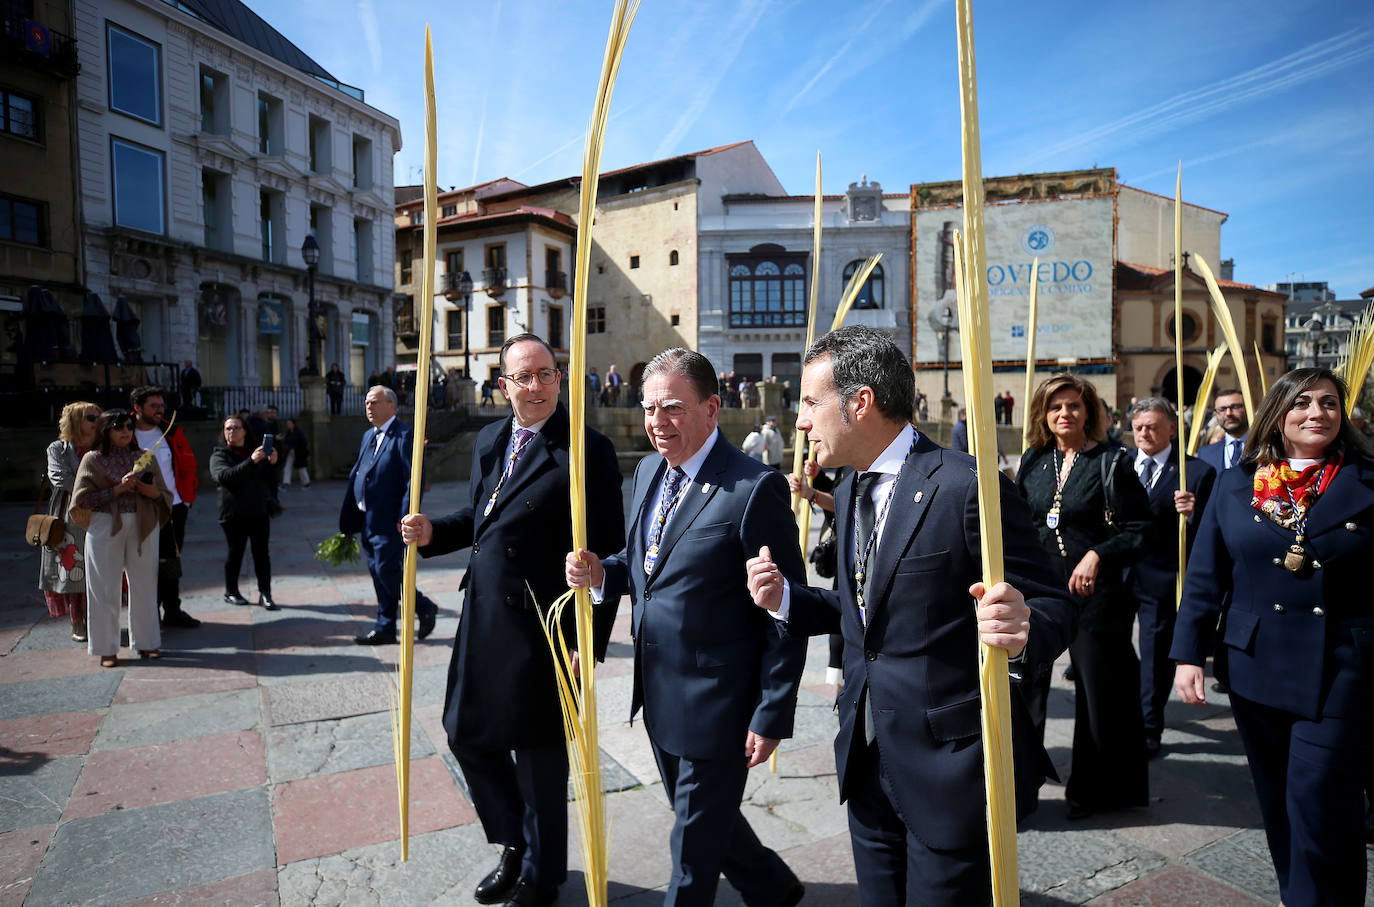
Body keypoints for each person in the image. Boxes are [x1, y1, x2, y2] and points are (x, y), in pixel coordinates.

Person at [747, 326, 1076, 904]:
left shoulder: (967, 486)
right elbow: (868, 618)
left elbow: (1052, 603)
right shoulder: (849, 489)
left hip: (949, 766)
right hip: (865, 759)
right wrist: (786, 601)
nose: (800, 421)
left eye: (810, 402)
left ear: (861, 403)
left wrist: (1023, 629)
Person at [565, 348, 808, 907]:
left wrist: (772, 713)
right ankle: (771, 886)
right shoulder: (649, 470)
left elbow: (785, 611)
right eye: (650, 408)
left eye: (672, 408)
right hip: (658, 695)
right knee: (701, 815)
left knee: (691, 856)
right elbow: (646, 565)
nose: (657, 422)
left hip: (719, 706)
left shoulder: (752, 489)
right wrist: (604, 573)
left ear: (712, 408)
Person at [399, 335, 624, 907]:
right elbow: (484, 518)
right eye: (523, 377)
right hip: (483, 619)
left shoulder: (584, 449)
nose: (537, 386)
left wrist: (587, 641)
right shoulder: (490, 439)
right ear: (504, 387)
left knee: (540, 758)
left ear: (559, 378)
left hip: (545, 629)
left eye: (546, 374)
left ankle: (543, 877)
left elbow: (611, 552)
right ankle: (514, 844)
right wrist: (435, 533)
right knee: (465, 733)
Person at [1172, 368, 1374, 907]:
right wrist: (1188, 653)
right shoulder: (1238, 483)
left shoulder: (1368, 479)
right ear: (1278, 414)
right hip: (1254, 660)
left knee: (1321, 795)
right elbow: (1205, 574)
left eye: (1329, 403)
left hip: (1343, 665)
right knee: (1279, 797)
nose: (1317, 413)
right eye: (1302, 403)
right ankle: (1297, 893)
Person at [1015, 373, 1151, 819]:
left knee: (1098, 692)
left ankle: (1094, 789)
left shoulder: (1112, 461)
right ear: (1043, 414)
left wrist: (1097, 554)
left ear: (1088, 411)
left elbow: (1140, 531)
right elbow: (1022, 522)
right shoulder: (1034, 460)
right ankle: (1020, 792)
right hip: (1037, 591)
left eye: (1073, 405)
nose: (1064, 414)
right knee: (1025, 689)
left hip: (1095, 595)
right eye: (1056, 407)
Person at [1123, 397, 1216, 758]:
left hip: (1161, 579)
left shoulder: (1195, 473)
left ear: (1173, 428)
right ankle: (1121, 719)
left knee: (1154, 658)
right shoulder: (1119, 465)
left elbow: (1213, 532)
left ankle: (1149, 727)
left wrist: (1193, 514)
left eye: (1153, 426)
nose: (1145, 433)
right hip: (1118, 576)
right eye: (1139, 427)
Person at [69, 410, 172, 667]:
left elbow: (163, 495)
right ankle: (106, 649)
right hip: (105, 525)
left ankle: (147, 643)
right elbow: (81, 501)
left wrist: (149, 491)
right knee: (104, 588)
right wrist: (117, 489)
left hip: (143, 523)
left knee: (145, 585)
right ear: (106, 430)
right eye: (118, 427)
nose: (126, 431)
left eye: (128, 426)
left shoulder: (143, 457)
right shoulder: (93, 460)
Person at [340, 386, 438, 644]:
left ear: (391, 406)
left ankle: (424, 607)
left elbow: (413, 479)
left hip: (390, 521)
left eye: (374, 402)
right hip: (367, 519)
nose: (369, 407)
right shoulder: (367, 436)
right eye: (366, 403)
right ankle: (385, 626)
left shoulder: (405, 436)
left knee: (386, 571)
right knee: (376, 572)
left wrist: (404, 516)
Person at [131, 386, 201, 629]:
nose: (160, 410)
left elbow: (188, 466)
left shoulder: (171, 432)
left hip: (174, 507)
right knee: (144, 563)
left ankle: (172, 609)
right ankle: (149, 613)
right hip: (140, 509)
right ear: (138, 408)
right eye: (154, 406)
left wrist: (186, 499)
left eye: (162, 405)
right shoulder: (125, 433)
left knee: (171, 561)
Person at [40, 401, 101, 642]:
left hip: (103, 513)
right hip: (71, 514)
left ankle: (99, 618)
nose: (98, 422)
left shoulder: (104, 445)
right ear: (76, 421)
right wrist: (98, 489)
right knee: (73, 567)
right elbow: (59, 478)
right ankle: (78, 621)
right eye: (91, 418)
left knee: (101, 567)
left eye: (99, 417)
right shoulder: (59, 448)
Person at [210, 417, 279, 610]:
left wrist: (273, 462)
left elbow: (269, 480)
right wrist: (251, 462)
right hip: (233, 514)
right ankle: (231, 591)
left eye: (236, 427)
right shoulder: (219, 455)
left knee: (261, 555)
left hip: (258, 511)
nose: (232, 431)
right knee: (235, 553)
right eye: (228, 428)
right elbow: (224, 477)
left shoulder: (256, 452)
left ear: (245, 431)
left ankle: (265, 594)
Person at [1198, 387, 1250, 473]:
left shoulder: (1264, 448)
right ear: (1215, 414)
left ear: (1247, 409)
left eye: (1235, 407)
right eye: (1222, 409)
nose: (1228, 413)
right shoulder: (1205, 453)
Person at [280, 419, 311, 488]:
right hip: (290, 452)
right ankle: (286, 483)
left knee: (301, 468)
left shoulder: (299, 432)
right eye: (287, 424)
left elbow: (304, 443)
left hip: (299, 453)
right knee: (287, 467)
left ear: (293, 424)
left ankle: (306, 483)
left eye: (289, 423)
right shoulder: (288, 432)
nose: (288, 425)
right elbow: (286, 442)